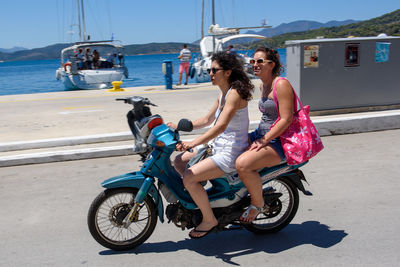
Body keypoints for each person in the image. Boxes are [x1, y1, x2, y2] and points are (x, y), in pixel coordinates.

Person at [167, 52, 254, 238]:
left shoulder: (235, 94)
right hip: (216, 146)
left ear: (228, 72)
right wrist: (180, 126)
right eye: (209, 70)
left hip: (231, 151)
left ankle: (209, 219)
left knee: (189, 178)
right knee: (179, 162)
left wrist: (193, 142)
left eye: (214, 70)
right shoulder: (222, 94)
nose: (210, 73)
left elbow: (220, 126)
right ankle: (197, 198)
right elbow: (207, 120)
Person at [235, 47, 295, 223]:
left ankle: (257, 204)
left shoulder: (281, 84)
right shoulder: (262, 85)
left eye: (260, 61)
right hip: (261, 133)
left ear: (272, 64)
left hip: (279, 140)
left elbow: (286, 119)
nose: (254, 65)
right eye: (253, 61)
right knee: (229, 145)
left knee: (243, 164)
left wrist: (264, 140)